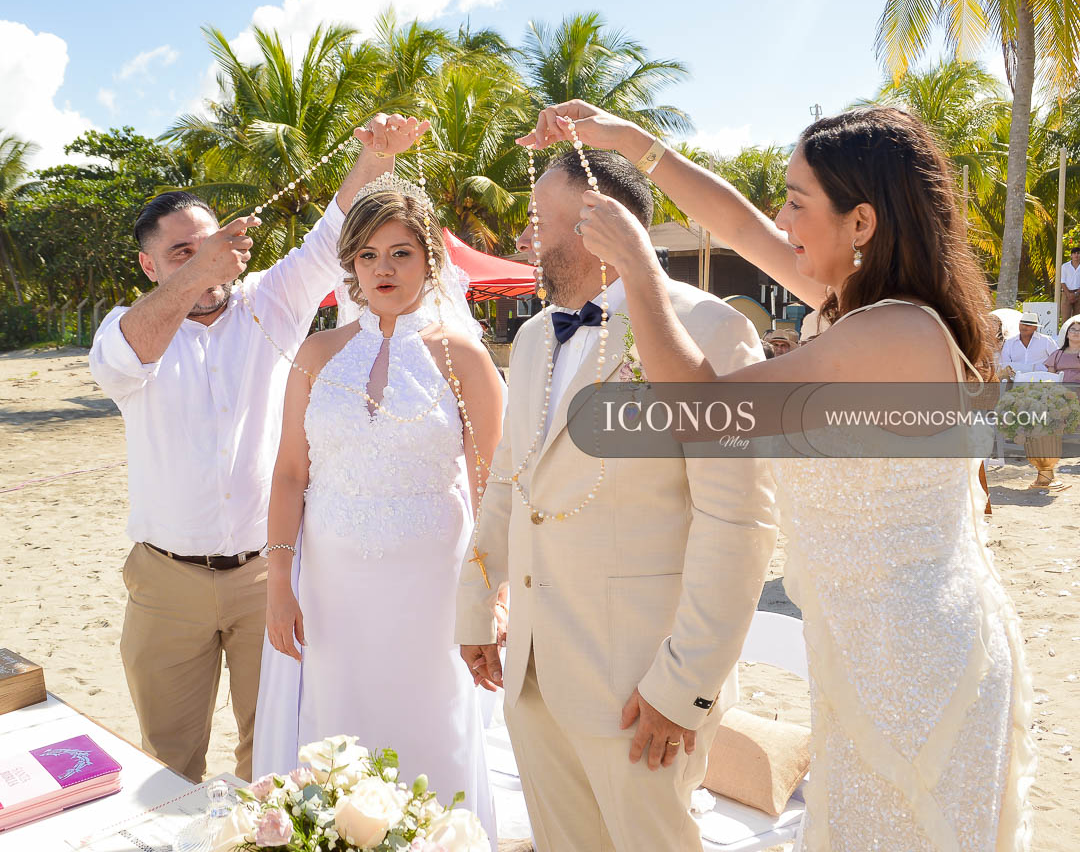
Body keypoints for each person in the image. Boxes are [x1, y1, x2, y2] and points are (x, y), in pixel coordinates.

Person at [530, 100, 1035, 849]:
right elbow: (736, 226)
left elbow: (701, 411)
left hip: (912, 663)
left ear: (860, 223)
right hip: (864, 653)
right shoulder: (860, 312)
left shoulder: (890, 333)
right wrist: (631, 141)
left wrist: (639, 269)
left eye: (797, 203)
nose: (779, 218)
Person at [455, 148, 777, 852]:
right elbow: (511, 479)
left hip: (641, 693)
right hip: (533, 678)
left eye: (538, 221)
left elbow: (739, 521)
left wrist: (685, 686)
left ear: (599, 223)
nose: (525, 239)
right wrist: (476, 603)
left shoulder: (712, 329)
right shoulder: (533, 337)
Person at [88, 114, 425, 783]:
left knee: (272, 756)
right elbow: (129, 356)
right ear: (149, 265)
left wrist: (376, 156)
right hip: (164, 581)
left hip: (267, 576)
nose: (206, 261)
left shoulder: (272, 297)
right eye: (182, 253)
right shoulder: (124, 329)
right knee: (167, 762)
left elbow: (332, 232)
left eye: (213, 244)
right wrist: (195, 276)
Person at [254, 169, 503, 844]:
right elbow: (289, 475)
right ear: (351, 266)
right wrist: (278, 584)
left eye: (400, 253)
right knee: (335, 729)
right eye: (367, 255)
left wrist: (492, 595)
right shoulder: (316, 353)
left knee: (432, 724)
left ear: (430, 259)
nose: (383, 269)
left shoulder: (463, 358)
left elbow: (493, 489)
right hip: (330, 589)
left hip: (432, 591)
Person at [1000, 311, 1057, 378]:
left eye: (1028, 325)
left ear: (1035, 328)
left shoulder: (1046, 340)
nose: (1024, 327)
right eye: (1022, 324)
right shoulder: (1009, 342)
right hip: (1017, 378)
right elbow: (1005, 364)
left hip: (1041, 378)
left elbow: (1057, 359)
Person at [1046, 315, 1080, 382]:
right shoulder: (1056, 354)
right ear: (1067, 334)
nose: (1076, 332)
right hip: (1060, 388)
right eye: (1073, 330)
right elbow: (1050, 377)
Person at [1060, 246, 1080, 322]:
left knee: (1078, 319)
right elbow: (1062, 281)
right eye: (1074, 253)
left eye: (1078, 253)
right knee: (1065, 319)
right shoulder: (1065, 266)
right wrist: (1068, 294)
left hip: (1079, 293)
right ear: (1071, 255)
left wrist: (1076, 293)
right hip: (1066, 293)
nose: (1076, 255)